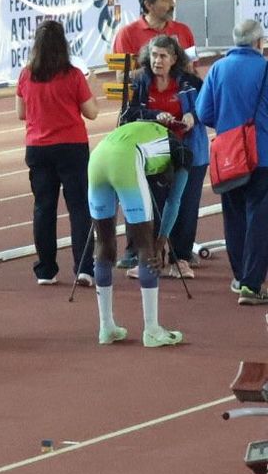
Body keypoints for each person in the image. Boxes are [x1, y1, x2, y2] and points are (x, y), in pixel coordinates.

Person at [85, 120, 187, 347]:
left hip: (98, 157)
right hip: (125, 159)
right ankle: (151, 330)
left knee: (103, 243)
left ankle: (106, 327)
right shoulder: (181, 152)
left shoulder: (150, 131)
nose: (163, 182)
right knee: (145, 247)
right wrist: (160, 242)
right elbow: (174, 201)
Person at [16, 19, 98, 286]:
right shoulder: (73, 75)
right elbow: (92, 112)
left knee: (43, 208)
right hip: (71, 146)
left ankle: (46, 270)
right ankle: (84, 266)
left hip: (38, 147)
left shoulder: (26, 75)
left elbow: (21, 113)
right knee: (79, 208)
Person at [120, 34, 206, 280]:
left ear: (174, 58)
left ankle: (180, 258)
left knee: (185, 207)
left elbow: (206, 107)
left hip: (187, 151)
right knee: (152, 206)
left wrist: (193, 116)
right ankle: (148, 259)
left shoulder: (190, 82)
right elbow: (129, 113)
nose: (157, 60)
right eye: (154, 55)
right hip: (152, 152)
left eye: (163, 56)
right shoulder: (139, 81)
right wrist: (154, 114)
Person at [195, 18, 268, 303]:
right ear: (258, 42)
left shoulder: (218, 69)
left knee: (234, 217)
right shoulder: (264, 68)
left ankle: (239, 277)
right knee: (259, 219)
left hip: (228, 155)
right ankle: (251, 283)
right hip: (262, 154)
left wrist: (229, 126)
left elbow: (203, 113)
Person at [112, 0, 197, 59]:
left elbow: (193, 68)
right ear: (148, 5)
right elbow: (121, 74)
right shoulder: (125, 35)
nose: (173, 4)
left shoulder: (184, 31)